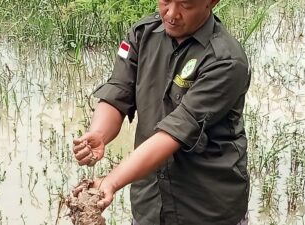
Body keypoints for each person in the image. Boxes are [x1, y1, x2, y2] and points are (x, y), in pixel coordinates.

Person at [73, 0, 251, 224]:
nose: (172, 14)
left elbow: (175, 131)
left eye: (186, 5)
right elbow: (119, 91)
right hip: (150, 204)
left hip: (206, 208)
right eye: (166, 1)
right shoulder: (142, 34)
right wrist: (99, 134)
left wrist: (111, 181)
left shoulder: (226, 61)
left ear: (212, 2)